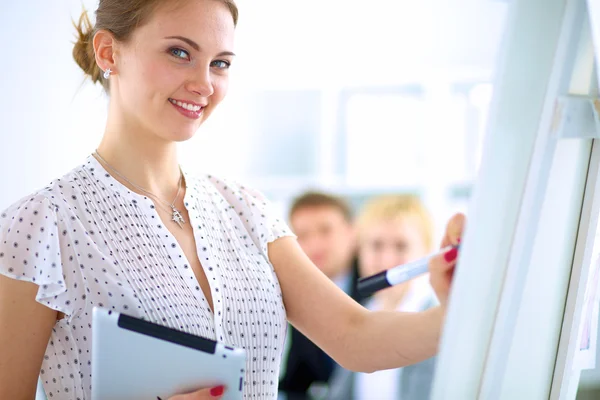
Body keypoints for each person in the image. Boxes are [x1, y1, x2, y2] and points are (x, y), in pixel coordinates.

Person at [0, 1, 465, 399]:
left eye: (220, 63)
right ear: (109, 52)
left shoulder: (245, 207)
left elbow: (357, 338)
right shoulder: (40, 225)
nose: (204, 83)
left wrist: (465, 304)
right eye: (179, 53)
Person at [328, 194, 440, 400]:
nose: (387, 260)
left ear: (426, 251)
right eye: (376, 245)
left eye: (401, 246)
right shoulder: (360, 313)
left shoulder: (436, 322)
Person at [279, 191, 362, 399]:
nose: (315, 245)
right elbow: (297, 381)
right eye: (303, 236)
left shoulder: (379, 285)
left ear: (351, 233)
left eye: (326, 231)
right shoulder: (298, 294)